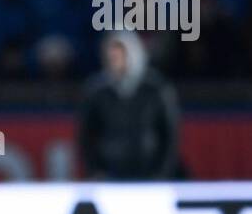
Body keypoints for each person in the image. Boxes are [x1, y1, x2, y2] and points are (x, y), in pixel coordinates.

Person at [77, 30, 180, 180]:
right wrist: (94, 171)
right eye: (112, 55)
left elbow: (169, 135)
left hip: (148, 172)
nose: (115, 60)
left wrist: (162, 173)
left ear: (133, 53)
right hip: (110, 173)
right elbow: (86, 136)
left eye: (120, 54)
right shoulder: (97, 91)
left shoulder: (156, 89)